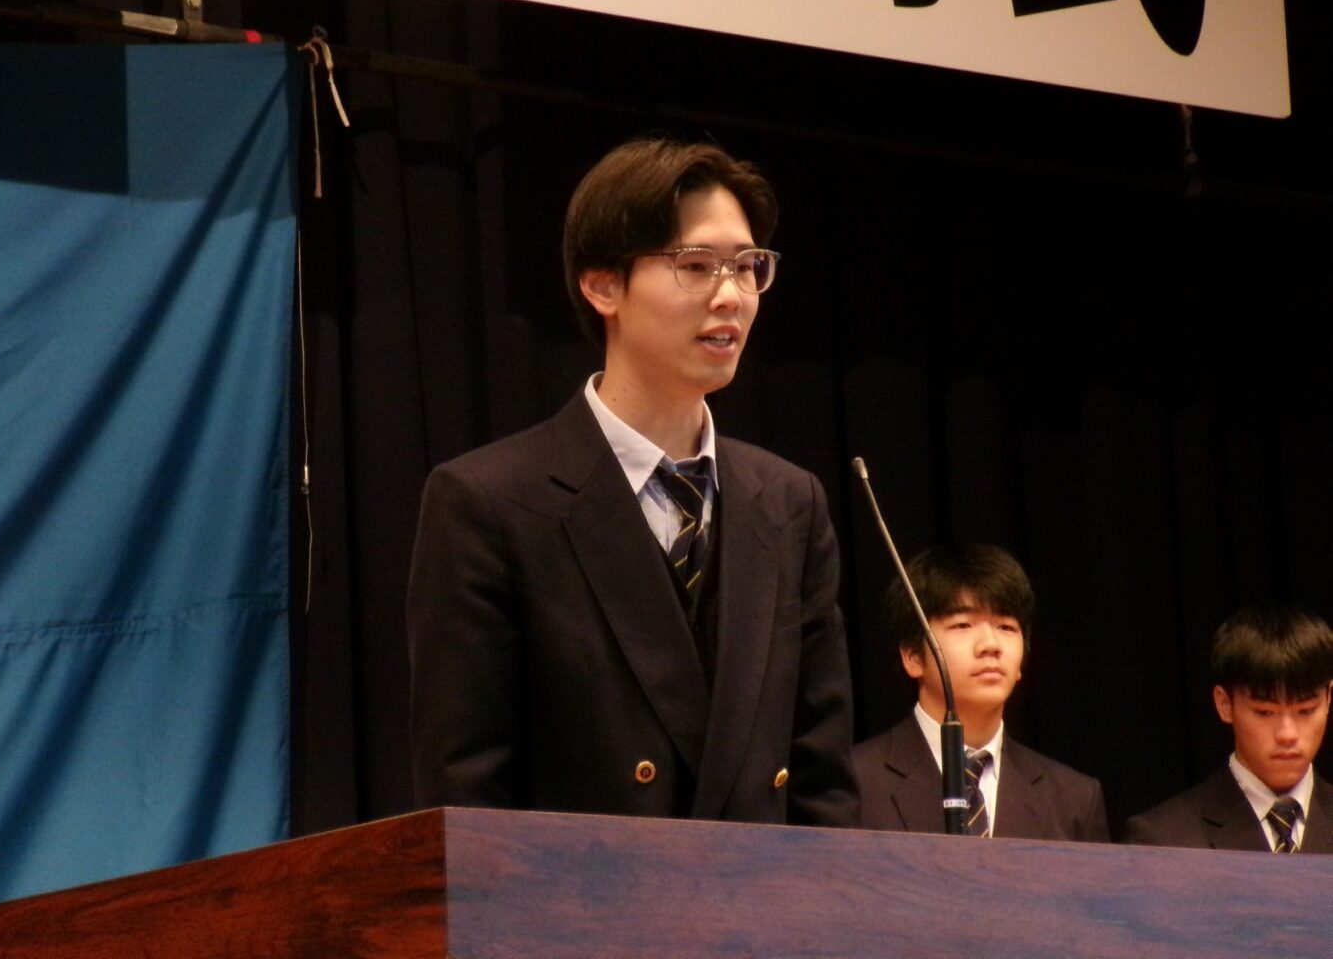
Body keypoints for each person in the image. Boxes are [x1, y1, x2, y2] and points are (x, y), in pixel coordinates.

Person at [407, 138, 858, 826]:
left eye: (747, 267)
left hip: (761, 894)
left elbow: (821, 785)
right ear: (602, 285)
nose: (731, 296)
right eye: (696, 266)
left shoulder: (789, 502)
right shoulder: (489, 503)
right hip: (579, 892)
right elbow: (466, 798)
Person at [853, 544, 1108, 840]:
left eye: (1006, 627)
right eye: (963, 625)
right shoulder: (854, 781)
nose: (990, 645)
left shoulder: (1074, 799)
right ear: (913, 656)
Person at [1123, 605, 1333, 852]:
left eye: (1305, 711)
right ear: (1224, 704)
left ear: (1329, 698)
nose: (1287, 734)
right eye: (1265, 712)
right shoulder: (1163, 839)